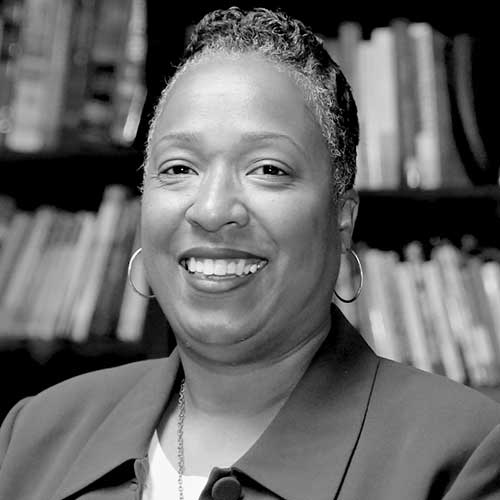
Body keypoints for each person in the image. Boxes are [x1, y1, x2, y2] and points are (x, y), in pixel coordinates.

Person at [1, 6, 500, 500]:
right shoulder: (30, 437)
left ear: (342, 220)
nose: (212, 209)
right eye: (178, 168)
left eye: (268, 169)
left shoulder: (464, 455)